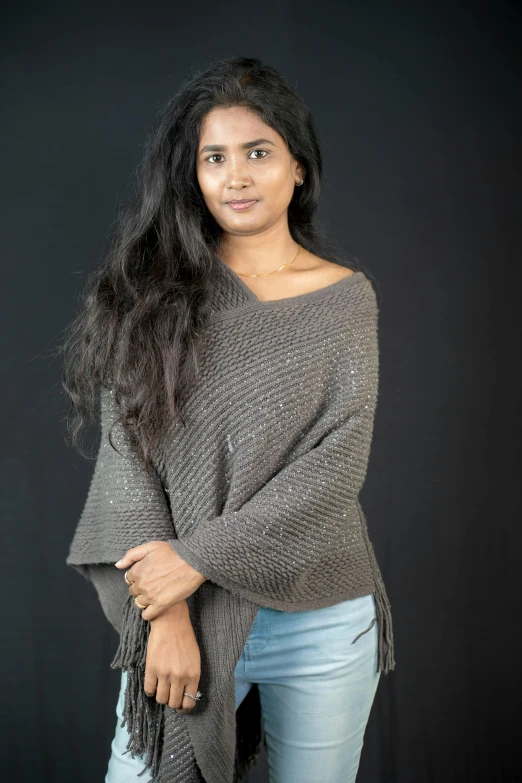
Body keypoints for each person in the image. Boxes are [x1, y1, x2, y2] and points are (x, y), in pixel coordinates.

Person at [62, 55, 395, 783]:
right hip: (186, 616)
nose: (235, 176)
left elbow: (335, 467)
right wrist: (166, 616)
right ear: (194, 173)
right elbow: (130, 464)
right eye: (215, 157)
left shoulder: (346, 299)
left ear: (298, 168)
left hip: (323, 612)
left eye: (257, 152)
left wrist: (192, 558)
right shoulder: (154, 293)